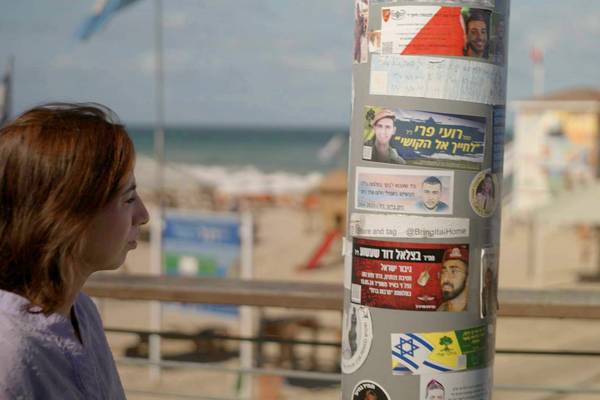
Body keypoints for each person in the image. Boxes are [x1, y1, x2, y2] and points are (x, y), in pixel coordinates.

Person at [0, 103, 149, 399]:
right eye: (129, 198)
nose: (143, 215)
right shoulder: (9, 352)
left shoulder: (81, 310)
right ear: (68, 214)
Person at [438, 247, 469, 311]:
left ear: (468, 277)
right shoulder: (441, 309)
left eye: (454, 271)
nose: (445, 278)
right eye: (443, 272)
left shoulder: (476, 310)